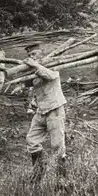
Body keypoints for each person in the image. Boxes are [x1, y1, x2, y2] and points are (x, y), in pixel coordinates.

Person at [23, 43, 67, 183]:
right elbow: (28, 83)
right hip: (41, 111)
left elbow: (50, 76)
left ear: (41, 54)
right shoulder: (35, 71)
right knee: (32, 140)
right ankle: (38, 172)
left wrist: (35, 66)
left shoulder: (52, 65)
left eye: (34, 54)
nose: (31, 57)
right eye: (29, 55)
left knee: (57, 145)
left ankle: (62, 180)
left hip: (54, 110)